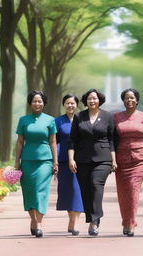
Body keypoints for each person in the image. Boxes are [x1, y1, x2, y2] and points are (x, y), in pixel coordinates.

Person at [68, 88, 117, 236]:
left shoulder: (108, 116)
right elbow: (72, 140)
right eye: (89, 99)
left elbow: (112, 140)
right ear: (85, 101)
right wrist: (71, 159)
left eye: (95, 98)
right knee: (85, 190)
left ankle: (94, 222)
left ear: (99, 100)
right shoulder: (79, 117)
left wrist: (114, 160)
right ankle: (92, 217)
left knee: (96, 185)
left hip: (103, 159)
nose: (92, 101)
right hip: (82, 159)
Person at [114, 88, 143, 237]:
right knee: (123, 192)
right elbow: (112, 139)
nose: (129, 100)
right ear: (123, 101)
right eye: (126, 98)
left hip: (140, 159)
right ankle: (125, 221)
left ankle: (132, 223)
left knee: (133, 189)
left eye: (132, 98)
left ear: (137, 100)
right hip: (121, 160)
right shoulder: (116, 117)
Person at [14, 90, 58, 238]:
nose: (37, 103)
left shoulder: (50, 120)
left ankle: (39, 223)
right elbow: (20, 142)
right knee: (29, 192)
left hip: (45, 161)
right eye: (34, 101)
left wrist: (55, 161)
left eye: (39, 101)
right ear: (30, 103)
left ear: (43, 103)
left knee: (40, 191)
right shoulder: (23, 120)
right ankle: (33, 219)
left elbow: (53, 142)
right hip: (27, 160)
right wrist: (17, 162)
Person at [55, 94, 84, 236]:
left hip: (81, 161)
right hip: (64, 161)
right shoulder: (58, 121)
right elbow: (55, 142)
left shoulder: (82, 120)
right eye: (67, 103)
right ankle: (71, 220)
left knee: (77, 190)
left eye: (73, 103)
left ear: (77, 105)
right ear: (64, 105)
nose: (70, 105)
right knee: (67, 191)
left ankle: (75, 222)